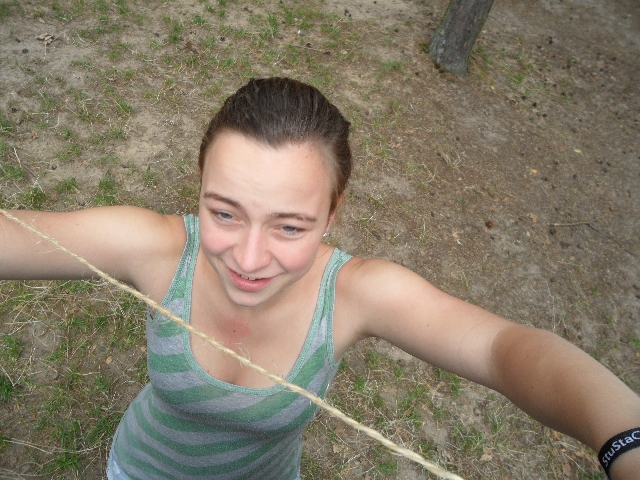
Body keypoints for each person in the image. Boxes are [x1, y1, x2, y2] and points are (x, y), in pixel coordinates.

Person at [1, 77, 638, 480]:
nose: (249, 258)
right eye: (224, 213)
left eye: (289, 226)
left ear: (332, 214)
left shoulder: (354, 295)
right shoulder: (155, 250)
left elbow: (502, 349)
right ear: (199, 189)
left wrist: (625, 437)